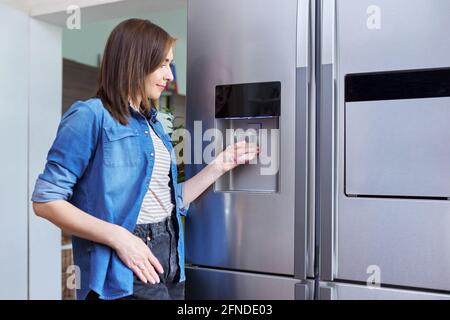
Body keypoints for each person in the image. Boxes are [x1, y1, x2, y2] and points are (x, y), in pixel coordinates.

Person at [31, 19, 259, 300]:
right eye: (162, 64)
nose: (169, 75)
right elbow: (46, 201)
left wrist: (221, 164)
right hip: (124, 264)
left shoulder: (153, 126)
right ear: (136, 61)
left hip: (171, 260)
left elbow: (172, 200)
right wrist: (120, 237)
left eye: (170, 64)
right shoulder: (91, 115)